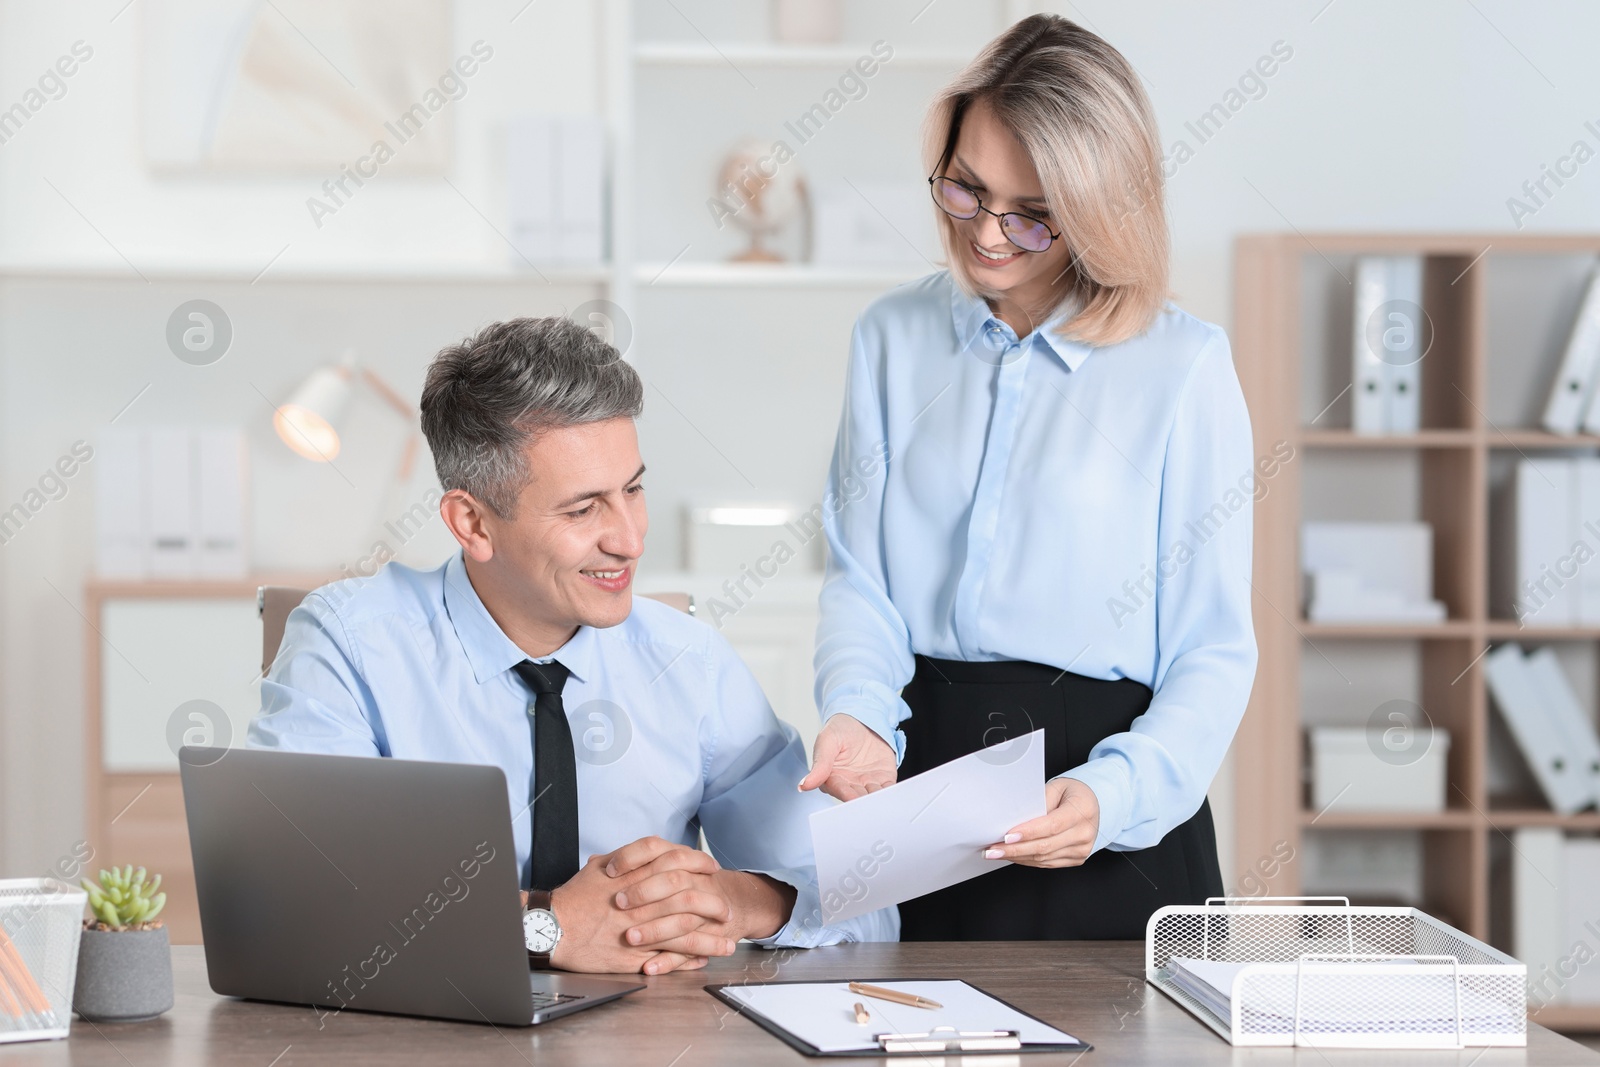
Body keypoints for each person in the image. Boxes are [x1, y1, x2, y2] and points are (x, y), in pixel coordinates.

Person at [798, 13, 1259, 940]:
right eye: (966, 190)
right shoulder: (891, 338)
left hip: (1106, 808)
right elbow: (863, 580)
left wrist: (1112, 793)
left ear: (1098, 210)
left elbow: (1213, 651)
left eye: (1032, 213)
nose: (989, 235)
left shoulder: (1184, 365)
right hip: (923, 797)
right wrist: (855, 713)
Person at [251, 316, 897, 974]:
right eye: (584, 509)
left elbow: (868, 897)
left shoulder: (690, 662)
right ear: (471, 522)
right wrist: (546, 925)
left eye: (634, 490)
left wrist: (741, 900)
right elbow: (288, 897)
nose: (629, 539)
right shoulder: (349, 642)